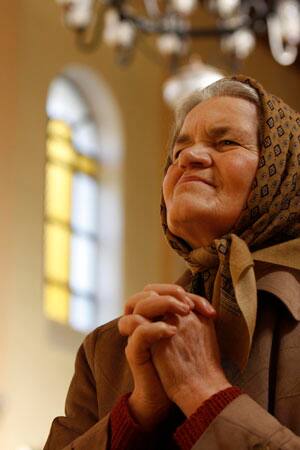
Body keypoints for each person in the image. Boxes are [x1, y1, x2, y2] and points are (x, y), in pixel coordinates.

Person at [43, 74, 300, 450]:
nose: (189, 158)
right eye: (178, 151)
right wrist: (134, 417)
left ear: (284, 172)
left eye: (225, 142)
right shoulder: (109, 348)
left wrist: (204, 393)